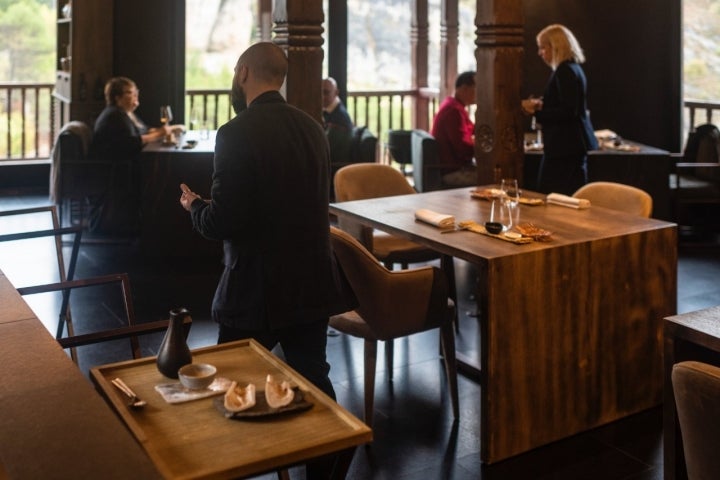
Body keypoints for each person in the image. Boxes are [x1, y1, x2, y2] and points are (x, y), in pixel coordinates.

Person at [179, 43, 347, 405]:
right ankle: (332, 455)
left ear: (242, 73)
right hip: (313, 280)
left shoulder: (235, 132)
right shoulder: (313, 128)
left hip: (258, 287)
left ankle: (246, 457)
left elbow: (222, 221)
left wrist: (195, 207)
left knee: (232, 379)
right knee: (313, 377)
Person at [89, 77, 175, 234]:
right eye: (130, 93)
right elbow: (131, 142)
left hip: (120, 166)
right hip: (112, 170)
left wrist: (168, 130)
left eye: (136, 92)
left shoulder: (125, 114)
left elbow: (143, 131)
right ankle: (154, 220)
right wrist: (161, 133)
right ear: (117, 97)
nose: (135, 96)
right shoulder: (115, 116)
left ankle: (155, 218)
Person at [521, 24, 598, 195]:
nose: (540, 53)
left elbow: (568, 112)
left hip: (565, 147)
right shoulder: (573, 68)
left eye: (542, 47)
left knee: (553, 196)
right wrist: (542, 105)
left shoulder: (565, 71)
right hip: (570, 146)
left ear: (555, 46)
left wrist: (535, 111)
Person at [431, 71, 477, 187]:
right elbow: (464, 150)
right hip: (451, 172)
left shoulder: (453, 105)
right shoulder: (453, 111)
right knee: (493, 178)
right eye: (477, 88)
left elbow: (472, 129)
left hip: (452, 167)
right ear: (464, 88)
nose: (480, 93)